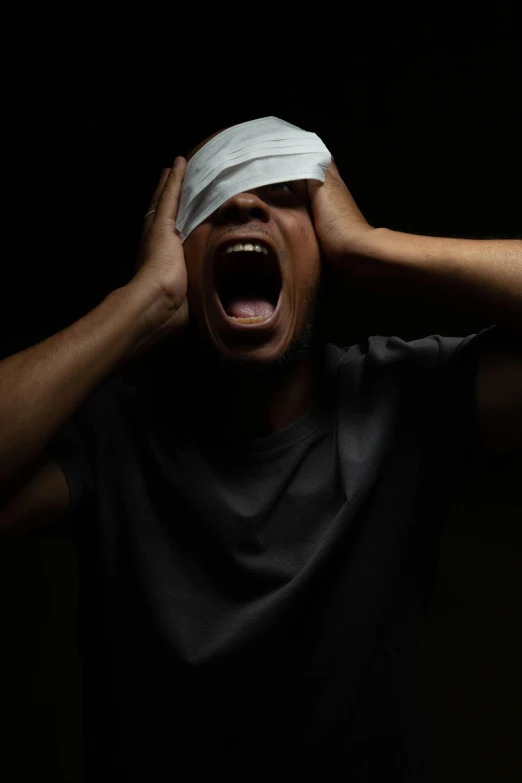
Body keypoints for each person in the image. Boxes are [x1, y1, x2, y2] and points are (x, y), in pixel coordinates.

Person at [0, 118, 521, 782]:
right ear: (179, 258)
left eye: (283, 192)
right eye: (215, 196)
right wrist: (140, 304)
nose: (246, 202)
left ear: (323, 252)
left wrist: (373, 247)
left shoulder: (402, 402)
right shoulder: (112, 433)